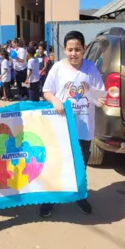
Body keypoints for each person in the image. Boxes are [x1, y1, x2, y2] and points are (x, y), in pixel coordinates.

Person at [39, 30, 106, 218]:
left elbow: (100, 93)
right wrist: (54, 100)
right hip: (61, 128)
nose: (73, 53)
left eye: (77, 49)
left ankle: (79, 195)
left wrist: (101, 99)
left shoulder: (91, 68)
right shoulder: (58, 68)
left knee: (80, 166)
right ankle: (50, 199)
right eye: (70, 50)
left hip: (84, 128)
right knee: (56, 164)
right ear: (64, 50)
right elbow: (46, 91)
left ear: (84, 49)